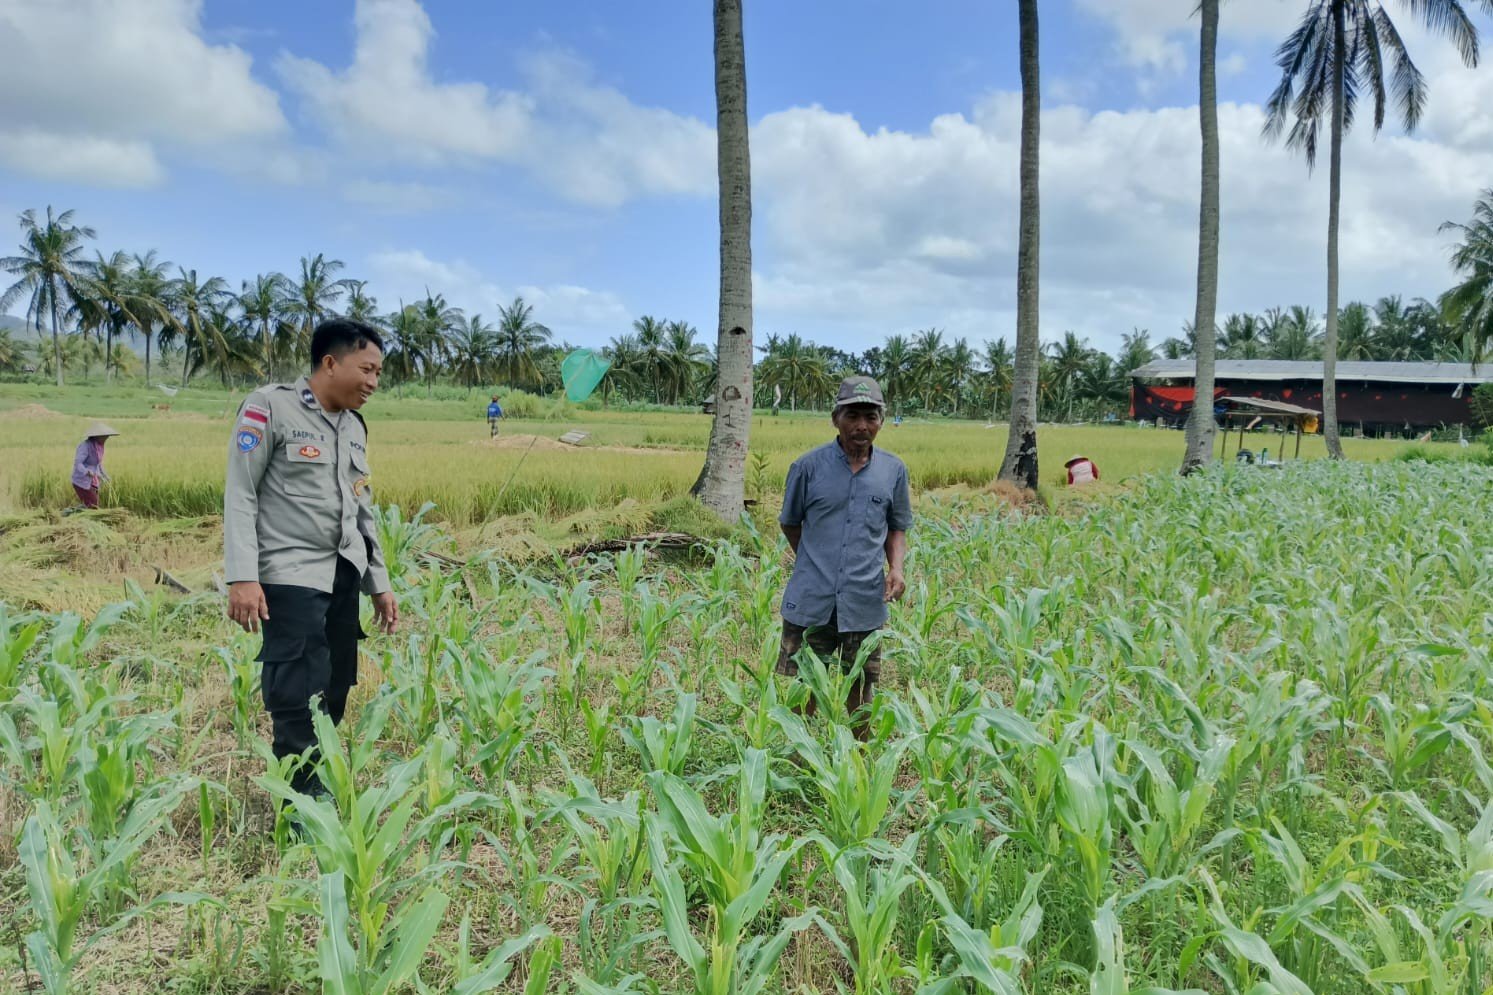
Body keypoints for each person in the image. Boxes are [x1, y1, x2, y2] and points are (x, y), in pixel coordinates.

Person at [223, 318, 399, 802]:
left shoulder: (355, 427)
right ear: (330, 362)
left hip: (342, 573)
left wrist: (378, 582)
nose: (373, 382)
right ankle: (301, 804)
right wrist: (242, 576)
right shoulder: (269, 408)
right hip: (289, 573)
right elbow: (241, 493)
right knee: (298, 687)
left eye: (379, 373)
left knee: (337, 681)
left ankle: (314, 771)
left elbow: (363, 507)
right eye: (367, 369)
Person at [778, 376, 911, 736]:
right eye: (852, 415)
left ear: (882, 420)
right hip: (811, 599)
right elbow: (791, 523)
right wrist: (814, 561)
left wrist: (896, 568)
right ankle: (799, 756)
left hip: (864, 599)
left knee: (862, 686)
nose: (861, 426)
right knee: (803, 683)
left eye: (871, 417)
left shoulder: (893, 471)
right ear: (835, 417)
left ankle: (859, 758)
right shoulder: (807, 468)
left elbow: (897, 526)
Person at [70, 422, 119, 510]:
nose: (106, 438)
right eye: (104, 436)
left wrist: (106, 477)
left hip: (93, 480)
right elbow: (78, 463)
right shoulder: (85, 446)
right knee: (93, 505)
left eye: (107, 436)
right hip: (81, 481)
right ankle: (82, 519)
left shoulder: (99, 447)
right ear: (96, 436)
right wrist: (86, 472)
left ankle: (77, 516)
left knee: (92, 504)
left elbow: (98, 464)